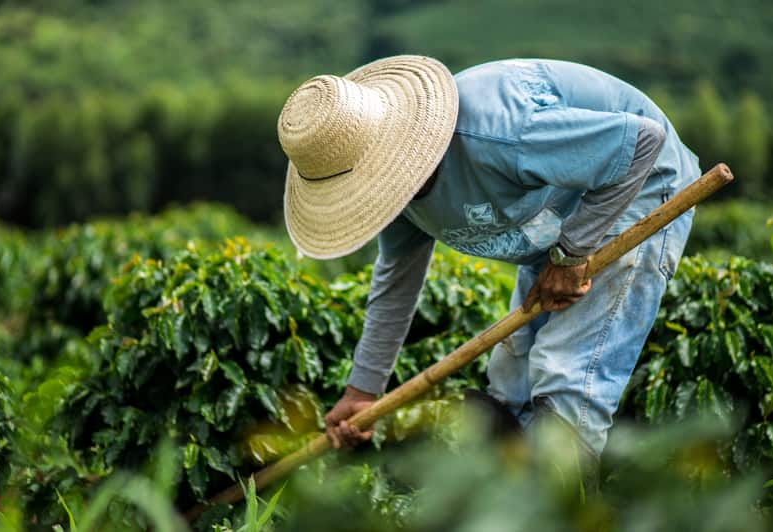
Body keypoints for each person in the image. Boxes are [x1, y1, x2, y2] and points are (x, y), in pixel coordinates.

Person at [277, 55, 699, 478]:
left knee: (566, 380)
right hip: (555, 225)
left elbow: (643, 142)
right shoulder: (398, 198)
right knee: (508, 382)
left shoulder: (496, 134)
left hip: (639, 191)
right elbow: (395, 282)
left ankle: (563, 512)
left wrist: (572, 254)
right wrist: (362, 391)